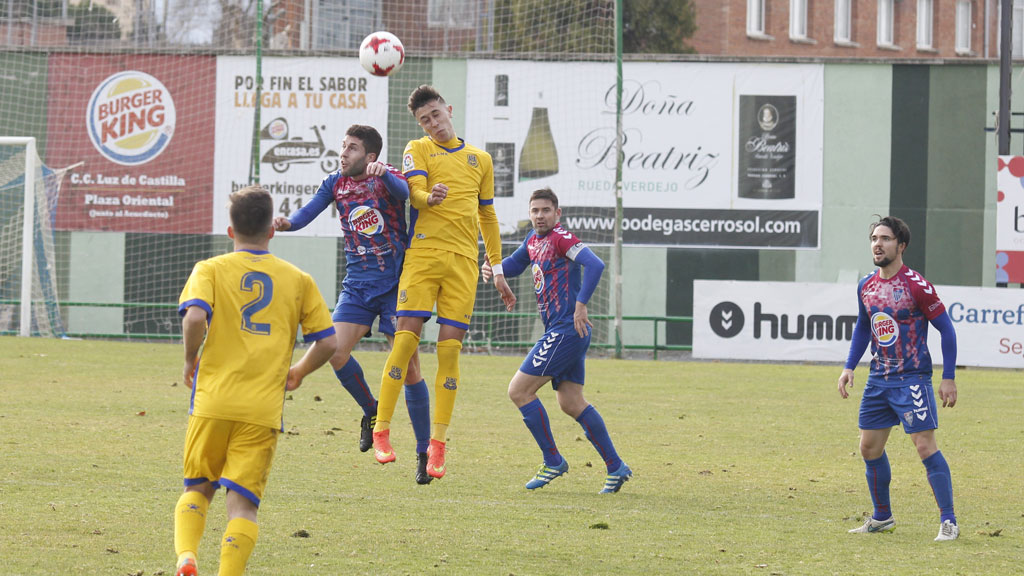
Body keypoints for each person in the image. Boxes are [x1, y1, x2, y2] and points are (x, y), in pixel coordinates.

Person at [174, 185, 338, 576]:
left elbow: (194, 317)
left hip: (212, 401)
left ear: (231, 231)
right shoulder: (297, 279)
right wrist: (299, 371)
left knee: (198, 488)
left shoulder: (210, 269)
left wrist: (190, 358)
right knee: (243, 505)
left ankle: (187, 557)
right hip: (261, 409)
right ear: (272, 231)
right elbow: (329, 342)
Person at [273, 124, 433, 484]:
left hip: (398, 285)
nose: (343, 153)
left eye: (352, 148)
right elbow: (307, 213)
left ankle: (425, 452)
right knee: (334, 351)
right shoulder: (335, 183)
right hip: (358, 285)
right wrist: (286, 223)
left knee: (410, 370)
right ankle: (371, 410)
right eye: (343, 146)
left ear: (370, 156)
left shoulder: (387, 175)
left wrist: (385, 176)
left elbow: (406, 192)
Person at [372, 85, 513, 479]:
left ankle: (438, 445)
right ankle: (381, 430)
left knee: (449, 353)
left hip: (464, 264)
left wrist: (498, 268)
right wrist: (428, 197)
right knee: (404, 343)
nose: (433, 123)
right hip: (423, 256)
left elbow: (488, 216)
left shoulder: (481, 159)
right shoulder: (417, 148)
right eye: (425, 119)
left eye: (435, 114)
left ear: (448, 109)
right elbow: (413, 193)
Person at [482, 188, 631, 493]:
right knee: (571, 402)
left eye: (546, 210)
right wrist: (493, 268)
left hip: (566, 330)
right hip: (564, 331)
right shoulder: (533, 240)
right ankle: (616, 467)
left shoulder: (561, 238)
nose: (540, 216)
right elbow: (514, 265)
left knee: (519, 391)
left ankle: (553, 460)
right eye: (535, 210)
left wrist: (581, 304)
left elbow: (595, 264)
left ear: (557, 213)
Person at [838, 215, 960, 542]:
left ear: (901, 245)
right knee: (869, 448)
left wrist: (948, 378)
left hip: (912, 379)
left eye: (885, 239)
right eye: (874, 239)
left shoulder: (916, 285)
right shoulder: (866, 285)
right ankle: (882, 518)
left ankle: (949, 521)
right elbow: (864, 326)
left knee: (924, 446)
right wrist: (849, 367)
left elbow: (947, 330)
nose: (877, 244)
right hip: (879, 378)